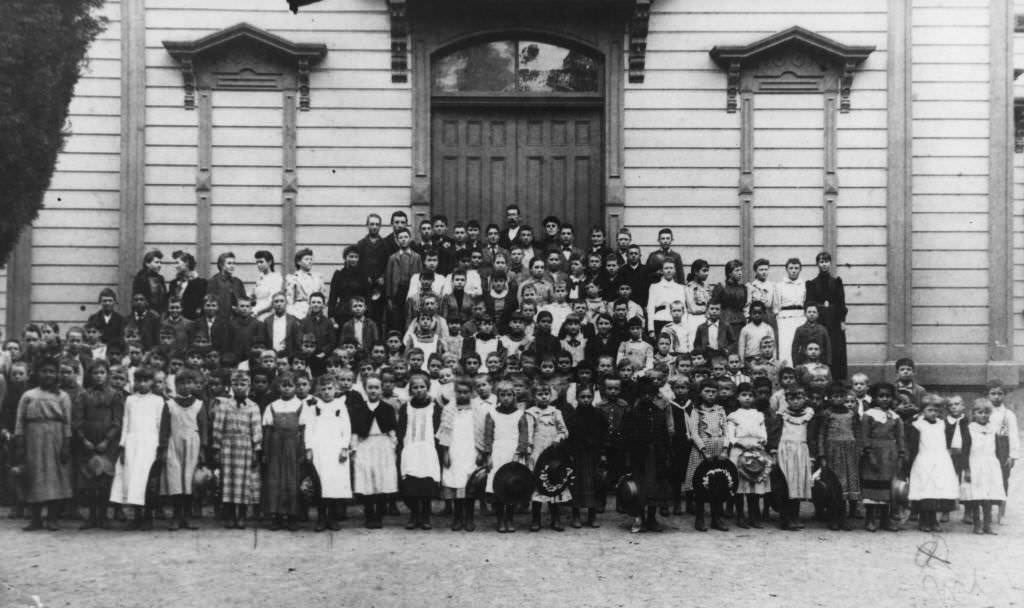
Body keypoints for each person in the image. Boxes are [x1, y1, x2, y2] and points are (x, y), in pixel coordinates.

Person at [15, 357, 73, 531]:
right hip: (33, 439)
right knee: (35, 476)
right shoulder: (28, 395)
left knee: (55, 478)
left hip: (55, 438)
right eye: (44, 371)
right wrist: (20, 440)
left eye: (51, 371)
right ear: (36, 373)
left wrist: (66, 444)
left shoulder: (62, 396)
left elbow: (67, 423)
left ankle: (52, 518)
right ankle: (35, 519)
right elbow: (19, 421)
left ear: (57, 375)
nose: (48, 375)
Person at [109, 367, 165, 530]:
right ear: (134, 382)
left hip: (150, 443)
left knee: (146, 480)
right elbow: (126, 423)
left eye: (146, 380)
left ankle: (148, 517)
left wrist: (159, 447)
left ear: (152, 382)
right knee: (131, 479)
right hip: (132, 443)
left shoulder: (158, 400)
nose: (142, 384)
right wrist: (123, 446)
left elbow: (160, 424)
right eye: (139, 380)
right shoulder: (130, 400)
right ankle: (137, 516)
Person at [621, 377, 672, 533]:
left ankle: (652, 518)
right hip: (639, 457)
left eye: (650, 394)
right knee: (639, 488)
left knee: (654, 488)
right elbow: (626, 437)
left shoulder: (659, 413)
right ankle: (639, 517)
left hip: (656, 456)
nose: (647, 397)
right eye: (643, 394)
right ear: (638, 395)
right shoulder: (632, 413)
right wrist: (628, 458)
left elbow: (664, 436)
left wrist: (666, 454)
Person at [212, 371, 263, 529]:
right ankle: (230, 514)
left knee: (243, 482)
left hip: (245, 447)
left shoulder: (253, 407)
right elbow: (218, 427)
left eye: (243, 384)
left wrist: (256, 449)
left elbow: (256, 429)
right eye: (236, 384)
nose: (239, 387)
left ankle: (241, 514)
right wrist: (216, 448)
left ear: (248, 386)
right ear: (231, 386)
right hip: (228, 446)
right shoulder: (224, 405)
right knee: (228, 481)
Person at [160, 368, 208, 531]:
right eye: (181, 383)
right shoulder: (170, 405)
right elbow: (164, 429)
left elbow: (204, 428)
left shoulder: (199, 405)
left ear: (194, 385)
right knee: (175, 481)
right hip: (174, 445)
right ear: (175, 384)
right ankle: (176, 515)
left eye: (189, 382)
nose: (185, 386)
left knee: (189, 481)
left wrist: (202, 450)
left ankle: (187, 516)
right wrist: (164, 448)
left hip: (193, 446)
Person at [302, 375, 352, 532]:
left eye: (330, 388)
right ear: (318, 391)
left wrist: (345, 447)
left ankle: (332, 518)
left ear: (335, 389)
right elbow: (308, 428)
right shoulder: (313, 406)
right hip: (320, 450)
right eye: (323, 389)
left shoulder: (340, 405)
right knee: (320, 484)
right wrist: (309, 448)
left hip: (336, 450)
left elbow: (346, 428)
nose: (327, 392)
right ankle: (321, 517)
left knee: (334, 484)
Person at [349, 374, 398, 529]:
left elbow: (392, 431)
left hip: (382, 444)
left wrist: (393, 447)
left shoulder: (387, 408)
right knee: (366, 478)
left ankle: (379, 514)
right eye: (370, 387)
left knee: (381, 478)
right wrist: (354, 448)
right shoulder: (359, 409)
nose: (373, 391)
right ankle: (369, 512)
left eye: (376, 387)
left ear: (381, 389)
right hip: (365, 444)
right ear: (365, 389)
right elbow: (355, 431)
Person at [906, 394, 959, 533]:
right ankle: (924, 519)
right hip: (924, 459)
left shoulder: (942, 424)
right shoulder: (918, 424)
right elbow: (912, 445)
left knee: (937, 490)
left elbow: (948, 438)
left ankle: (933, 519)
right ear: (923, 410)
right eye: (930, 410)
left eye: (936, 410)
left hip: (940, 459)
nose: (933, 413)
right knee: (925, 490)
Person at [396, 372, 441, 530]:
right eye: (415, 387)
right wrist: (401, 447)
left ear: (428, 388)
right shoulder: (405, 408)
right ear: (410, 390)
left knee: (426, 484)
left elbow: (438, 429)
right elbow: (401, 429)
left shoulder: (434, 407)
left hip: (428, 449)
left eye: (422, 387)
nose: (419, 390)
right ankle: (414, 514)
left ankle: (426, 514)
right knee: (411, 484)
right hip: (410, 448)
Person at [261, 373, 304, 531]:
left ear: (295, 387)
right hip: (275, 446)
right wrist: (265, 452)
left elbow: (303, 430)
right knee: (275, 480)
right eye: (283, 385)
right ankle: (276, 516)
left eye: (290, 385)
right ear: (278, 387)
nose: (287, 389)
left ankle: (292, 516)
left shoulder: (301, 405)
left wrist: (302, 451)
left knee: (291, 480)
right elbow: (267, 430)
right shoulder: (272, 406)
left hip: (293, 446)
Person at [524, 383, 570, 531]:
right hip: (537, 453)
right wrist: (529, 449)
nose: (543, 397)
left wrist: (559, 438)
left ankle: (555, 519)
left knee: (554, 481)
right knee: (538, 483)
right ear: (534, 396)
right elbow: (529, 433)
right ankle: (536, 519)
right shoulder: (530, 413)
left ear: (550, 396)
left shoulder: (555, 412)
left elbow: (564, 431)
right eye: (540, 394)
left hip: (553, 454)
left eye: (546, 394)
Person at [859, 382, 905, 532]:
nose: (885, 399)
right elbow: (864, 436)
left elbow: (900, 438)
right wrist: (869, 453)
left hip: (889, 455)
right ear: (875, 397)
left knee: (888, 488)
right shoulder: (869, 415)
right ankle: (870, 518)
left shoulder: (896, 417)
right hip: (874, 454)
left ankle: (886, 519)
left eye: (888, 396)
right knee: (873, 486)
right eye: (881, 396)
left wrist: (901, 454)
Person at [437, 376, 480, 531]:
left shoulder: (477, 409)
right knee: (455, 483)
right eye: (459, 392)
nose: (462, 395)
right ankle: (457, 516)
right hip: (455, 449)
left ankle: (469, 517)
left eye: (466, 392)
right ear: (455, 392)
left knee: (469, 485)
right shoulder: (449, 409)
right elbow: (444, 432)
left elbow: (480, 432)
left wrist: (481, 451)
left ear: (472, 392)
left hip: (471, 450)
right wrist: (446, 453)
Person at [684, 380, 727, 531]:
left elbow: (726, 431)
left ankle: (717, 518)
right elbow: (694, 433)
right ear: (700, 393)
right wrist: (703, 450)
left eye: (713, 392)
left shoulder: (721, 410)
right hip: (702, 452)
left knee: (719, 483)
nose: (710, 394)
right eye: (707, 391)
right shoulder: (696, 411)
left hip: (718, 450)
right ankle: (700, 518)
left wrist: (725, 449)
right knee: (701, 484)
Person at [817, 385, 861, 530]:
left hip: (849, 453)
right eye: (834, 396)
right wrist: (822, 455)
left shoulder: (851, 413)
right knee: (834, 487)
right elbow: (821, 435)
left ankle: (843, 519)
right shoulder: (827, 414)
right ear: (829, 398)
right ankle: (833, 518)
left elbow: (857, 432)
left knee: (846, 486)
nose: (838, 399)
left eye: (841, 396)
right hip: (833, 453)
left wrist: (858, 451)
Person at [563, 384, 607, 528]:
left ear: (593, 398)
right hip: (577, 456)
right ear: (577, 398)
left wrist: (602, 453)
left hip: (593, 455)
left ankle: (592, 516)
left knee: (593, 484)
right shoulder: (573, 416)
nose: (586, 400)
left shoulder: (598, 415)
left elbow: (603, 435)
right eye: (583, 397)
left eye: (589, 397)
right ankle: (576, 515)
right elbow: (569, 437)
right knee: (577, 485)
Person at [726, 382, 768, 529]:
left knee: (754, 484)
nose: (747, 398)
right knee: (740, 486)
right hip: (739, 451)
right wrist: (740, 443)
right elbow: (730, 436)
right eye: (744, 395)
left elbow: (763, 434)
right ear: (738, 397)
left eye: (750, 395)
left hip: (755, 451)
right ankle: (740, 515)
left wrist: (760, 442)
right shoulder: (734, 416)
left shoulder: (758, 415)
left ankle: (754, 515)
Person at [977, 379, 1018, 523]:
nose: (996, 397)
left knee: (1003, 479)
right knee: (984, 478)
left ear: (1004, 395)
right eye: (993, 393)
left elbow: (1013, 435)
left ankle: (1001, 513)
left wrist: (1012, 455)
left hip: (1003, 448)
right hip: (985, 448)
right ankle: (983, 512)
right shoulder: (982, 412)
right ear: (987, 395)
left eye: (1000, 393)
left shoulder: (1009, 414)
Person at [963, 401, 1004, 534]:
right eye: (980, 412)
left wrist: (999, 465)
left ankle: (988, 524)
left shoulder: (993, 429)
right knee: (977, 496)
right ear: (974, 414)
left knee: (989, 496)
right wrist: (967, 469)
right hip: (975, 464)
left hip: (991, 465)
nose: (983, 415)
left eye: (986, 412)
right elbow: (965, 450)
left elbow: (998, 449)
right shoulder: (970, 428)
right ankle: (977, 524)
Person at [776, 385, 814, 531]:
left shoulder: (808, 415)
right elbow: (776, 433)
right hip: (786, 451)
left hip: (801, 451)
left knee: (798, 484)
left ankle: (795, 515)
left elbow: (811, 436)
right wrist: (774, 452)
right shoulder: (782, 415)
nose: (796, 402)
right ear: (786, 400)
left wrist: (812, 456)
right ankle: (785, 517)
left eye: (799, 398)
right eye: (792, 399)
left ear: (804, 399)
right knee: (787, 484)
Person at [804, 252, 848, 378]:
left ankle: (837, 379)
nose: (824, 264)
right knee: (820, 347)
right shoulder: (811, 284)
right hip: (820, 320)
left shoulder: (836, 282)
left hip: (834, 321)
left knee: (836, 349)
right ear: (817, 264)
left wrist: (842, 321)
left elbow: (841, 302)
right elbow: (809, 303)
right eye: (821, 262)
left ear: (830, 263)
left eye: (826, 261)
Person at [775, 258, 805, 366]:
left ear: (800, 270)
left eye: (796, 268)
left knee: (799, 345)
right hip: (785, 319)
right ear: (786, 269)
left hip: (800, 317)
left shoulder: (804, 285)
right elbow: (777, 305)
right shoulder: (779, 285)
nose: (793, 270)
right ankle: (786, 371)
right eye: (791, 268)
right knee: (786, 346)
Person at [647, 259, 688, 337]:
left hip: (676, 321)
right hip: (659, 320)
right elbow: (650, 308)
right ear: (662, 271)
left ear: (675, 270)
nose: (669, 271)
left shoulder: (680, 288)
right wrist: (651, 329)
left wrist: (684, 325)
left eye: (671, 268)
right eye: (666, 268)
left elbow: (684, 308)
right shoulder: (654, 287)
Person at [285, 248, 325, 320]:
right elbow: (289, 300)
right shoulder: (293, 278)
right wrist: (293, 316)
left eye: (311, 259)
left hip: (316, 311)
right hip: (299, 313)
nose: (310, 262)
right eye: (306, 259)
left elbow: (323, 297)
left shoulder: (318, 277)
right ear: (298, 262)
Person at [711, 260, 747, 338]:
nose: (740, 273)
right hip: (725, 322)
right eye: (737, 270)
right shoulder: (721, 287)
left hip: (740, 322)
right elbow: (713, 305)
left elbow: (743, 304)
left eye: (741, 270)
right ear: (729, 273)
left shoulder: (743, 288)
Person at [207, 252, 246, 320]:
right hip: (220, 321)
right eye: (229, 263)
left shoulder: (238, 282)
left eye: (233, 263)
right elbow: (210, 304)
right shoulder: (213, 281)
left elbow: (243, 301)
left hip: (236, 321)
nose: (232, 266)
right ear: (221, 265)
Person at [791, 302, 831, 367]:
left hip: (820, 363)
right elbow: (794, 349)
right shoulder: (800, 330)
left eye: (814, 312)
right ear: (805, 314)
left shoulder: (823, 329)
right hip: (804, 363)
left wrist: (828, 364)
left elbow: (828, 348)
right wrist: (796, 364)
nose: (811, 314)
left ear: (818, 314)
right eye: (809, 312)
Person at [132, 249, 168, 314]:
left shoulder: (160, 279)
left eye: (160, 262)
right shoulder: (140, 279)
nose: (160, 265)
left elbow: (164, 299)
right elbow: (137, 301)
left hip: (161, 315)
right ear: (147, 264)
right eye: (156, 262)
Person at [251, 250, 284, 321]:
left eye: (261, 262)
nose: (258, 265)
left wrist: (256, 311)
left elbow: (272, 301)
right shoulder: (260, 278)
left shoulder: (276, 277)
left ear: (269, 262)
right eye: (257, 262)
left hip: (268, 313)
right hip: (256, 312)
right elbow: (254, 297)